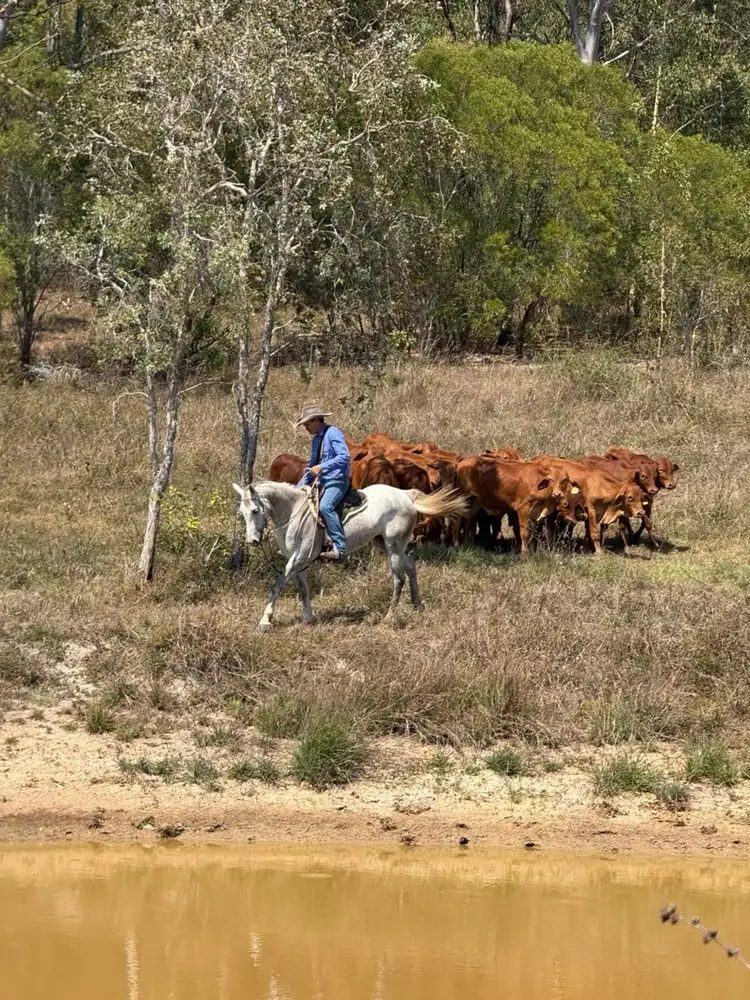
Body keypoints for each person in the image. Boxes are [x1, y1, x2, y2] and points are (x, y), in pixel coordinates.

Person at [295, 403, 351, 561]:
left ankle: (340, 548)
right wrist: (298, 488)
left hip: (338, 479)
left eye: (306, 424)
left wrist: (323, 466)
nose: (306, 428)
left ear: (315, 421)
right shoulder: (316, 440)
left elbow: (344, 456)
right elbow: (312, 466)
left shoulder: (333, 433)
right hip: (323, 481)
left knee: (326, 507)